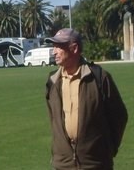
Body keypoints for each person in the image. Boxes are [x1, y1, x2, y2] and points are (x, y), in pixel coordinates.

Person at [45, 28, 128, 170]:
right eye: (54, 47)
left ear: (74, 48)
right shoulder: (52, 81)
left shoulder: (99, 77)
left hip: (95, 163)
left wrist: (107, 149)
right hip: (63, 164)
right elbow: (53, 119)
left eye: (59, 47)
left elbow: (119, 116)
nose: (54, 52)